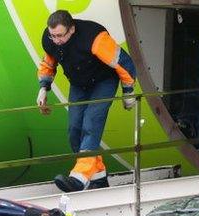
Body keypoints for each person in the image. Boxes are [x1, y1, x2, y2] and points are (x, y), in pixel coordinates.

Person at [36, 10, 137, 192]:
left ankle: (79, 178)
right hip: (79, 84)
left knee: (91, 123)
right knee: (74, 129)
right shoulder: (50, 39)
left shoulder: (95, 37)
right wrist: (43, 88)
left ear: (72, 29)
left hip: (104, 81)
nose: (56, 40)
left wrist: (128, 91)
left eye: (60, 36)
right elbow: (48, 64)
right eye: (53, 36)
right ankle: (98, 177)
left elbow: (124, 63)